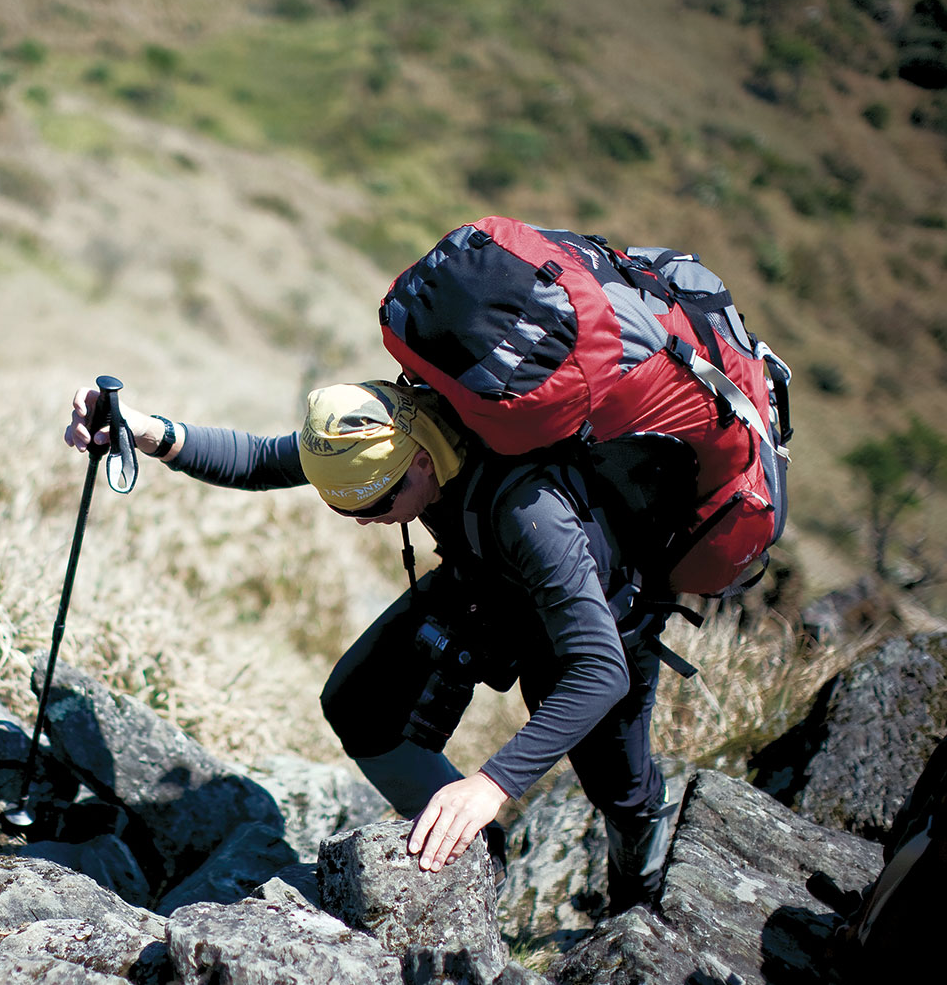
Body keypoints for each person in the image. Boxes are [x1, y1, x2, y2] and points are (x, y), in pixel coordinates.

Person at [65, 378, 678, 912]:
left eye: (375, 503)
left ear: (419, 464)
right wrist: (143, 429)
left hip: (600, 617)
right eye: (343, 506)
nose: (363, 519)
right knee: (359, 703)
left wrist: (490, 787)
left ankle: (638, 896)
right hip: (483, 578)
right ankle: (475, 862)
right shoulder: (379, 425)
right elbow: (259, 460)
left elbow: (600, 671)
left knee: (619, 788)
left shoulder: (528, 510)